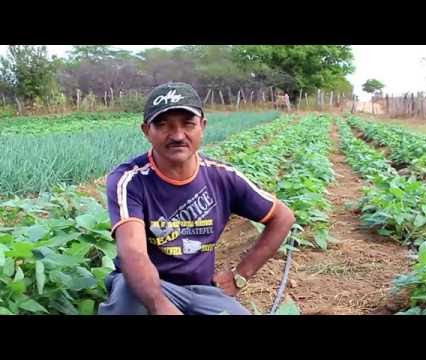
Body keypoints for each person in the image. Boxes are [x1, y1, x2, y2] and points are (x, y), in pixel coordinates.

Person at [98, 82, 296, 315]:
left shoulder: (222, 177)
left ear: (202, 126)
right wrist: (160, 306)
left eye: (188, 124)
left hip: (202, 290)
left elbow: (282, 217)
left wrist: (241, 275)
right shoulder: (130, 180)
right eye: (163, 125)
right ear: (146, 131)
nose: (178, 135)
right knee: (126, 307)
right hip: (145, 285)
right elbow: (134, 253)